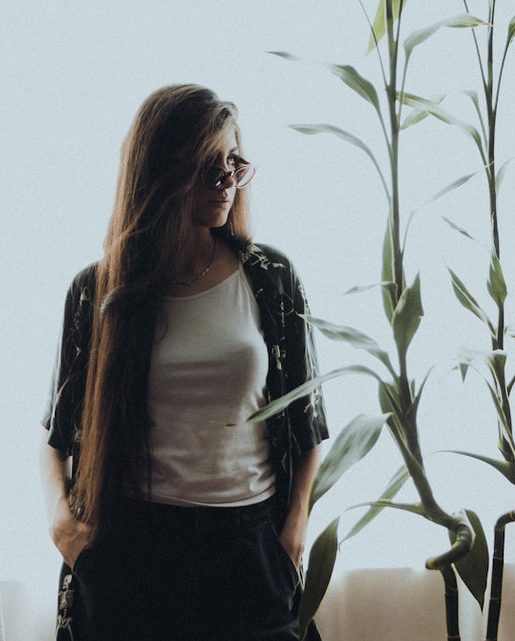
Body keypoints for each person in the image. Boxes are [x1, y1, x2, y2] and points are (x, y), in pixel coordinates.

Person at [40, 84, 328, 641]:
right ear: (161, 173)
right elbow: (56, 436)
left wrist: (293, 531)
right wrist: (64, 529)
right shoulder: (96, 293)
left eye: (232, 164)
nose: (225, 183)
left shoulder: (270, 278)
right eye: (207, 168)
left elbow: (309, 423)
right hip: (137, 544)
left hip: (250, 543)